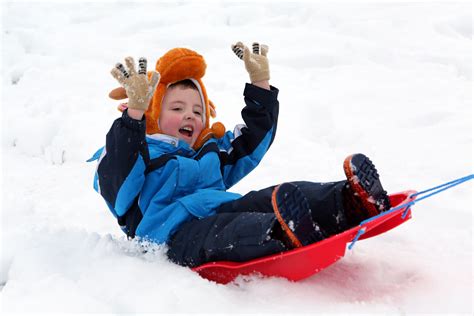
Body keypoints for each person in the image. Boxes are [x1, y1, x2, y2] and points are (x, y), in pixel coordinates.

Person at [88, 42, 391, 268]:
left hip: (221, 207)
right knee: (224, 232)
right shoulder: (139, 150)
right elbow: (119, 179)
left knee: (271, 197)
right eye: (177, 108)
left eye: (198, 110)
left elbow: (250, 144)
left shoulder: (208, 153)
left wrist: (260, 84)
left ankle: (348, 201)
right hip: (169, 237)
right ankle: (280, 234)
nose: (189, 117)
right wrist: (134, 117)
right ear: (154, 114)